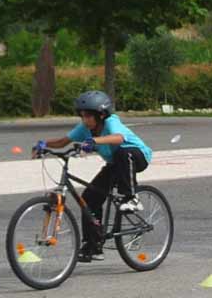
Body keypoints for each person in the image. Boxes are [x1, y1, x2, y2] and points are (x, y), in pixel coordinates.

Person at [32, 90, 153, 263]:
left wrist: (95, 141)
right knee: (89, 199)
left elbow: (119, 138)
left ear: (101, 115)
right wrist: (43, 144)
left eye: (88, 115)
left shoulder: (111, 122)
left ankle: (131, 197)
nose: (84, 119)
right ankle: (93, 246)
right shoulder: (85, 128)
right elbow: (63, 142)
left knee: (123, 152)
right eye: (82, 116)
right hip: (114, 165)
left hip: (136, 157)